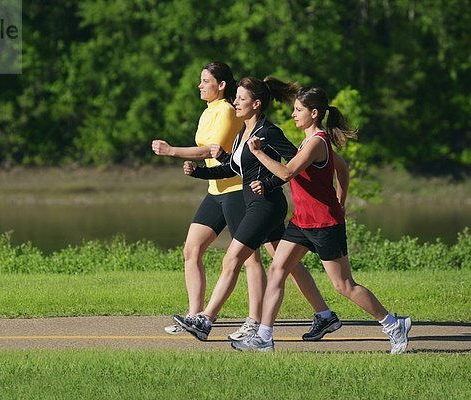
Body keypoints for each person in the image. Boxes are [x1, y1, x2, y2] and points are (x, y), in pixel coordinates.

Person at [232, 86, 412, 354]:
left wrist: (259, 153)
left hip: (325, 224)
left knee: (344, 286)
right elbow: (342, 167)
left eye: (299, 110)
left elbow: (287, 172)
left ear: (314, 113)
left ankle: (393, 324)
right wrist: (342, 195)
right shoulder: (307, 142)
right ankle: (264, 338)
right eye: (294, 109)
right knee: (277, 270)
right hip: (301, 222)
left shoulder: (316, 142)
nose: (293, 114)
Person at [175, 76, 345, 341]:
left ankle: (205, 320)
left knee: (232, 259)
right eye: (236, 98)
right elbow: (233, 168)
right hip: (257, 203)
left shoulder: (268, 132)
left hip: (266, 206)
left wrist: (268, 183)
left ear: (256, 104)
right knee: (285, 264)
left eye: (241, 99)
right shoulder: (245, 131)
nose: (235, 102)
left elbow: (294, 165)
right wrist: (198, 173)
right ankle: (324, 315)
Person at [152, 61, 269, 340]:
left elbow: (209, 149)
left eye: (206, 81)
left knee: (249, 258)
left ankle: (255, 320)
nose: (200, 85)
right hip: (215, 191)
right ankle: (194, 315)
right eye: (201, 81)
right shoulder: (208, 112)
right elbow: (209, 152)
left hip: (235, 191)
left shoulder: (228, 111)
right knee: (191, 250)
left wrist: (172, 151)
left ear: (222, 85)